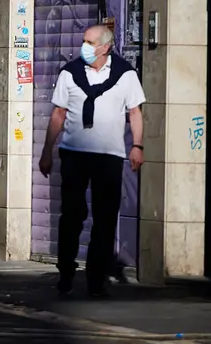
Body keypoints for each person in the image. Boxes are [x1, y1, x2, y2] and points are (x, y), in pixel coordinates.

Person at [39, 24, 145, 298]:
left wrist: (137, 146)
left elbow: (135, 113)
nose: (83, 46)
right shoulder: (69, 73)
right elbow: (58, 115)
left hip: (109, 157)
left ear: (105, 47)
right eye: (83, 41)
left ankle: (97, 280)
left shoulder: (125, 75)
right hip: (74, 154)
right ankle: (66, 272)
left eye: (89, 41)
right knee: (72, 215)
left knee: (105, 219)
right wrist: (47, 151)